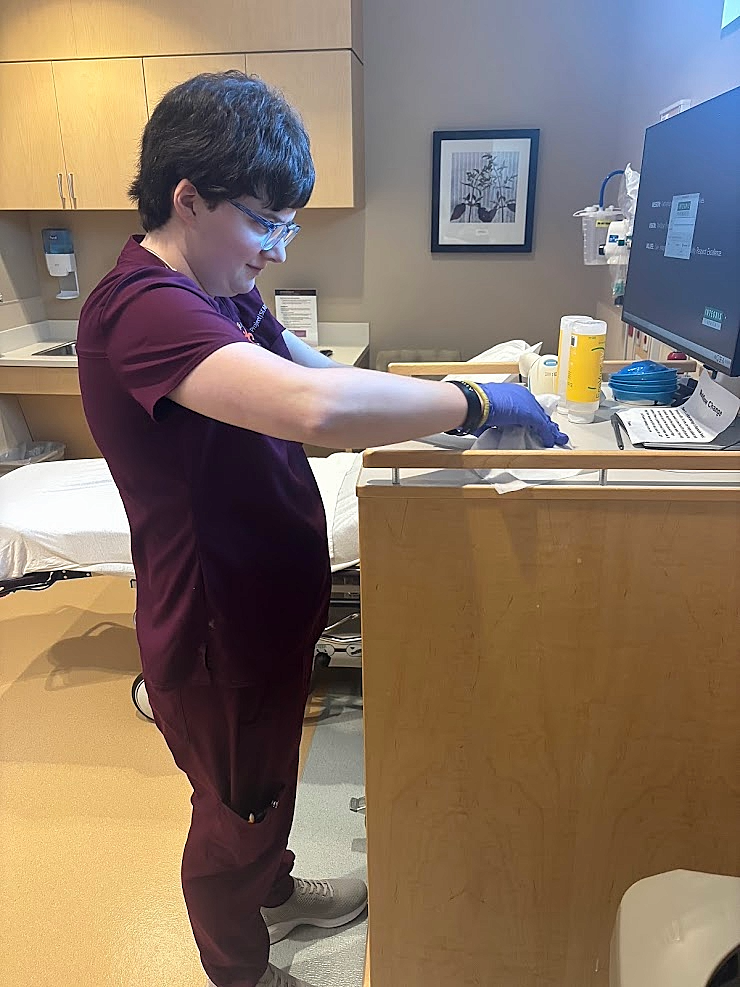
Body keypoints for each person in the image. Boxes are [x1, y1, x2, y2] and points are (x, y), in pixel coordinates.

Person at [76, 71, 568, 987]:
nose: (274, 248)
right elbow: (315, 406)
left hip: (266, 608)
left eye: (284, 226)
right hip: (213, 632)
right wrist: (470, 399)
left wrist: (457, 412)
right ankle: (241, 968)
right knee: (232, 818)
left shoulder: (221, 291)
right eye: (263, 221)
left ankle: (278, 890)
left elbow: (317, 366)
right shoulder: (140, 308)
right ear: (187, 198)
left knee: (269, 783)